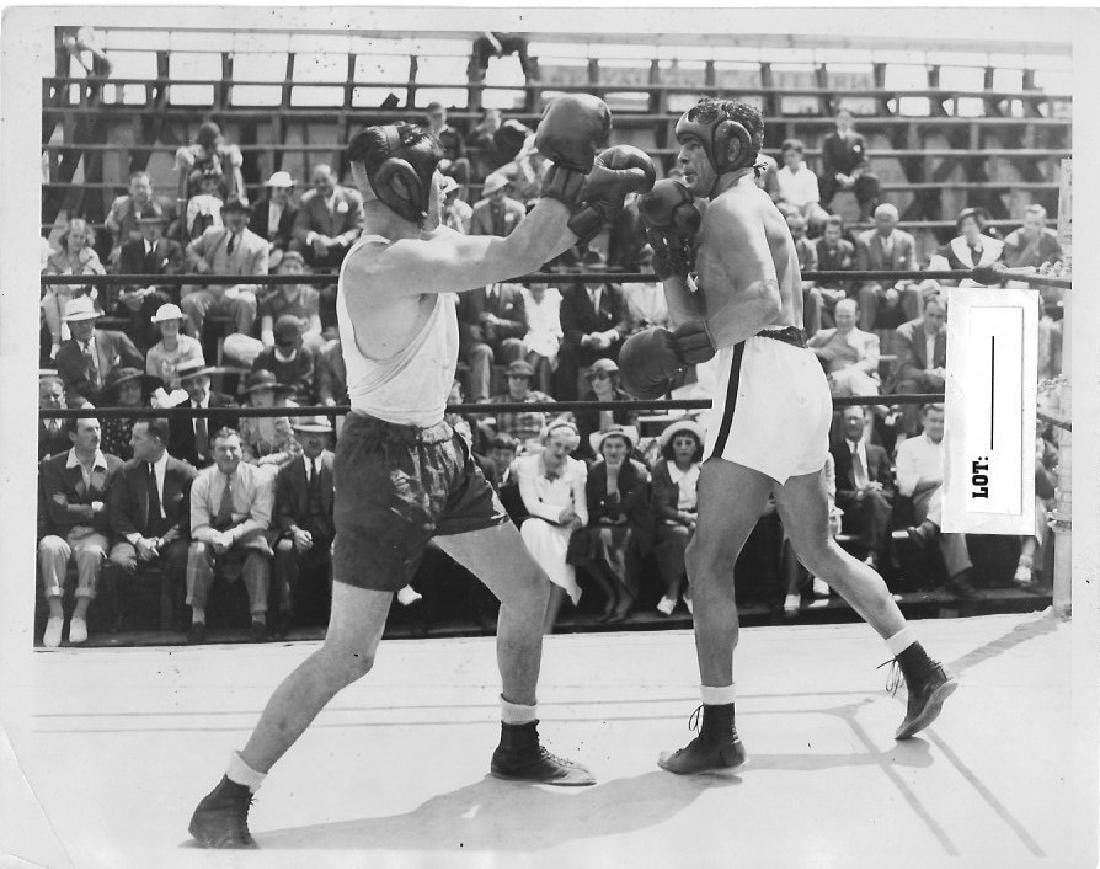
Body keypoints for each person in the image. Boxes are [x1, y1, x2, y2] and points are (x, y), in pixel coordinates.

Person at [188, 96, 654, 846]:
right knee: (351, 652)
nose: (444, 188)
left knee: (529, 589)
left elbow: (518, 243)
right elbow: (511, 255)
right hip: (383, 464)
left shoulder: (421, 243)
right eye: (432, 176)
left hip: (442, 449)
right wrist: (570, 173)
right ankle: (228, 792)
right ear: (407, 184)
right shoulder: (384, 262)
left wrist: (587, 203)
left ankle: (517, 742)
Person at [622, 96, 955, 775]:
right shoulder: (739, 207)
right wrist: (665, 257)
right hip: (796, 379)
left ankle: (718, 728)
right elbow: (700, 316)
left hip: (762, 371)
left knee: (705, 561)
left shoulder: (731, 207)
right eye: (678, 145)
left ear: (734, 146)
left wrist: (689, 342)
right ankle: (920, 667)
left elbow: (760, 304)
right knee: (818, 546)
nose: (681, 156)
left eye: (695, 144)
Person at [37, 416, 125, 647]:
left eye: (98, 427)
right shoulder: (54, 465)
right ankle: (55, 615)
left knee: (93, 551)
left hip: (96, 534)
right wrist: (94, 507)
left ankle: (79, 615)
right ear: (73, 436)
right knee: (50, 546)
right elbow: (57, 510)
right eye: (88, 430)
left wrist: (76, 509)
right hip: (63, 532)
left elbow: (113, 511)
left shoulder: (115, 465)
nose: (96, 434)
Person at [185, 427, 276, 644]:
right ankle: (197, 620)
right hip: (214, 532)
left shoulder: (259, 478)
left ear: (242, 451)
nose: (228, 454)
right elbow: (197, 527)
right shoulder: (201, 481)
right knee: (196, 551)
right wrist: (216, 537)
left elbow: (261, 519)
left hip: (246, 531)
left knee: (259, 550)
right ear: (212, 453)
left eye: (233, 449)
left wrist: (232, 535)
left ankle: (259, 620)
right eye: (222, 449)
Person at [105, 418, 197, 633]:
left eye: (137, 438)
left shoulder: (185, 473)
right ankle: (124, 619)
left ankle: (178, 618)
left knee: (181, 557)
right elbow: (116, 513)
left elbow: (190, 516)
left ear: (156, 442)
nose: (130, 442)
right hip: (133, 536)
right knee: (119, 562)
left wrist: (164, 540)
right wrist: (139, 540)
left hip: (171, 537)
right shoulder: (125, 472)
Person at [566, 426, 652, 623]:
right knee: (582, 540)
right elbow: (592, 505)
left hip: (635, 525)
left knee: (608, 537)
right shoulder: (596, 470)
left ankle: (625, 595)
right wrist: (603, 516)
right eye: (609, 446)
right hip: (604, 523)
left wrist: (612, 479)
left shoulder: (637, 471)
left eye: (619, 446)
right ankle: (612, 592)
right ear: (602, 449)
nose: (613, 451)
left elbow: (624, 510)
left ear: (627, 449)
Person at [513, 420, 588, 632]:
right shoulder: (527, 465)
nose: (561, 451)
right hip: (538, 522)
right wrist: (557, 514)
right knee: (533, 531)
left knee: (560, 560)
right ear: (546, 441)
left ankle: (547, 626)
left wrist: (576, 521)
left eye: (567, 448)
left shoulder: (577, 468)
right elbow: (531, 504)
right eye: (557, 445)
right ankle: (530, 621)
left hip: (565, 529)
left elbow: (582, 512)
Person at [896, 404, 976, 599]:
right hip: (924, 501)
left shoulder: (957, 446)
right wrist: (943, 480)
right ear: (924, 421)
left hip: (959, 502)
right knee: (951, 503)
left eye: (942, 421)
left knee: (953, 505)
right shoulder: (909, 446)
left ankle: (929, 528)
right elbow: (905, 487)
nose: (938, 425)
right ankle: (960, 577)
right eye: (933, 420)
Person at [272, 416, 336, 636]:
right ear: (298, 438)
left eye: (319, 435)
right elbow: (282, 514)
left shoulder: (339, 467)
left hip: (333, 534)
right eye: (308, 435)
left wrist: (340, 536)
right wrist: (296, 532)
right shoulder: (287, 471)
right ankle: (286, 614)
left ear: (327, 438)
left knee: (341, 552)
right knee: (284, 550)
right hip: (301, 533)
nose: (314, 440)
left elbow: (348, 509)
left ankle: (338, 621)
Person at [183, 197, 267, 340]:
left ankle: (240, 352)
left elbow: (261, 281)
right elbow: (190, 249)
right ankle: (195, 350)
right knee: (189, 302)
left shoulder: (259, 245)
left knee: (247, 302)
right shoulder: (212, 235)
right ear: (224, 216)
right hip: (212, 294)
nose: (236, 217)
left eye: (241, 214)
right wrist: (199, 263)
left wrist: (239, 289)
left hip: (238, 295)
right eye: (231, 213)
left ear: (247, 218)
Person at [650, 419, 706, 616]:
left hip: (699, 519)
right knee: (680, 536)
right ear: (671, 446)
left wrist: (697, 518)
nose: (683, 448)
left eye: (688, 443)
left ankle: (691, 592)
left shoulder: (703, 469)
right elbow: (660, 506)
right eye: (678, 443)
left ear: (696, 446)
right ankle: (672, 592)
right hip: (669, 521)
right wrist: (685, 518)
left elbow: (709, 499)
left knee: (703, 536)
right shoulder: (661, 469)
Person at [831, 406, 894, 570]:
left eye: (856, 418)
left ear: (865, 422)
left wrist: (876, 492)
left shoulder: (878, 452)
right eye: (848, 419)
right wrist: (859, 494)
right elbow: (833, 492)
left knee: (875, 499)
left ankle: (871, 555)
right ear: (842, 423)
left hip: (876, 508)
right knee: (874, 501)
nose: (852, 423)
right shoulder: (833, 454)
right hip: (850, 512)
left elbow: (891, 491)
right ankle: (872, 555)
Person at [53, 297, 144, 407]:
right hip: (86, 412)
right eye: (79, 323)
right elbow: (67, 389)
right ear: (69, 325)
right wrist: (83, 404)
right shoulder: (64, 355)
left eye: (88, 321)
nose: (85, 326)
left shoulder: (117, 339)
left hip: (121, 404)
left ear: (94, 321)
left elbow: (140, 367)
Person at [115, 211, 183, 352]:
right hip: (134, 297)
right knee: (133, 303)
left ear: (162, 227)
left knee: (152, 301)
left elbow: (171, 278)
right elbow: (126, 275)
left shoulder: (173, 247)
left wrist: (147, 292)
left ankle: (146, 350)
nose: (151, 230)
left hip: (162, 295)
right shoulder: (129, 248)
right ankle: (140, 353)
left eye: (156, 225)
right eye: (147, 226)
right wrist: (137, 292)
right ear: (140, 228)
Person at [42, 218, 106, 358]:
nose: (78, 240)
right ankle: (57, 341)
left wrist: (69, 285)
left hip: (84, 298)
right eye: (75, 236)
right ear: (67, 237)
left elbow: (94, 276)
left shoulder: (90, 256)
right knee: (48, 300)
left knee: (62, 296)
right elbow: (50, 280)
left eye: (82, 237)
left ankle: (59, 343)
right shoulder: (55, 257)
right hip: (59, 298)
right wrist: (63, 286)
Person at [457, 279, 528, 403]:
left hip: (502, 343)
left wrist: (498, 323)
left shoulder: (515, 292)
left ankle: (517, 399)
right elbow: (455, 320)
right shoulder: (469, 289)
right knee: (484, 351)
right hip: (476, 343)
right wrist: (470, 329)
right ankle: (481, 403)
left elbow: (522, 327)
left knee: (517, 346)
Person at [853, 203, 921, 330]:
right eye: (880, 219)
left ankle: (916, 335)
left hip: (900, 287)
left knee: (914, 292)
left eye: (888, 219)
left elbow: (911, 270)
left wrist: (897, 289)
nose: (884, 223)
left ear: (896, 221)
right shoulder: (864, 240)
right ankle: (864, 337)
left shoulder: (907, 240)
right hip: (875, 287)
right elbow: (863, 272)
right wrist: (880, 290)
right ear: (874, 221)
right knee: (866, 293)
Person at [890, 295, 947, 437]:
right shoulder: (905, 332)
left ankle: (946, 437)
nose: (935, 320)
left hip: (940, 382)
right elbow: (904, 370)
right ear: (923, 313)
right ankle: (909, 435)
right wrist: (928, 374)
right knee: (910, 386)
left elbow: (959, 366)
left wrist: (944, 374)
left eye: (939, 316)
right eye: (931, 315)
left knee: (952, 386)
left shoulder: (951, 334)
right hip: (914, 381)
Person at [291, 163, 364, 272]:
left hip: (344, 245)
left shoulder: (352, 198)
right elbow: (299, 228)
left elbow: (358, 227)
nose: (321, 184)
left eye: (324, 180)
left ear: (334, 177)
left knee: (359, 245)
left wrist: (339, 240)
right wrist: (315, 238)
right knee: (294, 245)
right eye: (317, 182)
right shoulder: (307, 200)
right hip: (318, 248)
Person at [167, 361, 239, 469]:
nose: (195, 387)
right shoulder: (178, 412)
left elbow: (236, 438)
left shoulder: (226, 404)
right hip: (190, 469)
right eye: (189, 383)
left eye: (199, 381)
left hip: (222, 465)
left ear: (208, 380)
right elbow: (174, 449)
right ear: (183, 386)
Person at [807, 298, 881, 398]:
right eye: (840, 316)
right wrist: (820, 352)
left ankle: (858, 412)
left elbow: (870, 363)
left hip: (861, 382)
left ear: (857, 316)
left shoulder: (869, 339)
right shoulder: (823, 336)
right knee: (854, 379)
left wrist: (845, 373)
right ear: (835, 316)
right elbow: (802, 351)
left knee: (854, 379)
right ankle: (880, 409)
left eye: (847, 317)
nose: (843, 321)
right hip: (832, 385)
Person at [819, 107, 880, 221]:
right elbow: (827, 162)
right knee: (822, 182)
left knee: (871, 180)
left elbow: (863, 161)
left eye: (847, 119)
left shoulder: (858, 139)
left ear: (852, 121)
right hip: (835, 176)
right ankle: (825, 215)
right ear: (836, 121)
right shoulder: (829, 139)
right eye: (841, 118)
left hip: (854, 176)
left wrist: (854, 176)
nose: (843, 121)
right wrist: (839, 176)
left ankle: (865, 216)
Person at [258, 251, 324, 352]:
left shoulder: (312, 296)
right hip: (278, 344)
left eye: (296, 267)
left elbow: (316, 328)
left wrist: (299, 342)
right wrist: (275, 347)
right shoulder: (269, 300)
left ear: (302, 271)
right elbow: (266, 331)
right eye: (287, 267)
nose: (291, 271)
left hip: (305, 343)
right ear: (279, 270)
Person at [574, 358, 637, 462]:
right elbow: (584, 438)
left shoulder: (626, 400)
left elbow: (633, 429)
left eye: (602, 377)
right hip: (592, 455)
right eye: (593, 378)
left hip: (622, 451)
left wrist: (619, 430)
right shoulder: (584, 403)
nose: (596, 382)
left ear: (613, 379)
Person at [484, 360, 554, 452]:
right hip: (508, 448)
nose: (518, 381)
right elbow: (474, 414)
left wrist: (551, 428)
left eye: (523, 377)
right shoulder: (498, 401)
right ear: (508, 380)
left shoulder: (541, 398)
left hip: (538, 446)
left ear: (529, 381)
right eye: (514, 377)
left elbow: (566, 412)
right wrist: (487, 429)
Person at [928, 207, 1005, 289]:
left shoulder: (995, 245)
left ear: (979, 226)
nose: (968, 229)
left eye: (971, 224)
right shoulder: (953, 246)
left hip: (990, 291)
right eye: (964, 225)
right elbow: (937, 262)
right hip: (962, 292)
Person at [251, 315, 318, 405]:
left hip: (300, 405)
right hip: (271, 405)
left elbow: (304, 385)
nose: (302, 339)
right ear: (287, 340)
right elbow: (258, 388)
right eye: (298, 336)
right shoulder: (263, 358)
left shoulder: (305, 355)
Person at [98, 367, 161, 460]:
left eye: (134, 387)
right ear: (117, 392)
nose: (130, 392)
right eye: (124, 388)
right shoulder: (107, 417)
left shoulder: (152, 416)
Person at [145, 303, 205, 395]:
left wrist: (176, 368)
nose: (170, 324)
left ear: (179, 323)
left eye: (173, 320)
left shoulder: (192, 344)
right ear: (158, 325)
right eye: (165, 321)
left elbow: (200, 363)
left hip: (192, 393)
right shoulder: (152, 353)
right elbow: (152, 383)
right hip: (166, 397)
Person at [776, 139, 828, 234]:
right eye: (786, 156)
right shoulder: (780, 175)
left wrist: (805, 219)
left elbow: (812, 201)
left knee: (823, 218)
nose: (789, 159)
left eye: (792, 155)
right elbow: (782, 200)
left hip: (808, 209)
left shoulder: (810, 175)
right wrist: (795, 213)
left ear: (800, 156)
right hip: (790, 210)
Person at [813, 215, 857, 326]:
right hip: (820, 290)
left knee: (848, 304)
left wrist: (844, 291)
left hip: (840, 291)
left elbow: (851, 275)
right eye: (829, 232)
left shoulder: (847, 247)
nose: (833, 237)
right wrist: (822, 290)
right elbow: (812, 271)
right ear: (823, 232)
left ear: (841, 233)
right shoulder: (814, 246)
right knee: (816, 301)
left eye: (836, 233)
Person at [249, 171, 298, 269]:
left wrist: (275, 246)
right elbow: (252, 230)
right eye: (279, 189)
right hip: (258, 247)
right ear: (271, 190)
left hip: (281, 250)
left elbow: (290, 234)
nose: (282, 193)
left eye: (286, 190)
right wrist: (263, 245)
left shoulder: (294, 211)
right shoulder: (257, 208)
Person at [38, 374, 71, 460]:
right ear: (38, 399)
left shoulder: (74, 420)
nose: (51, 400)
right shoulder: (30, 422)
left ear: (64, 396)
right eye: (46, 397)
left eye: (56, 396)